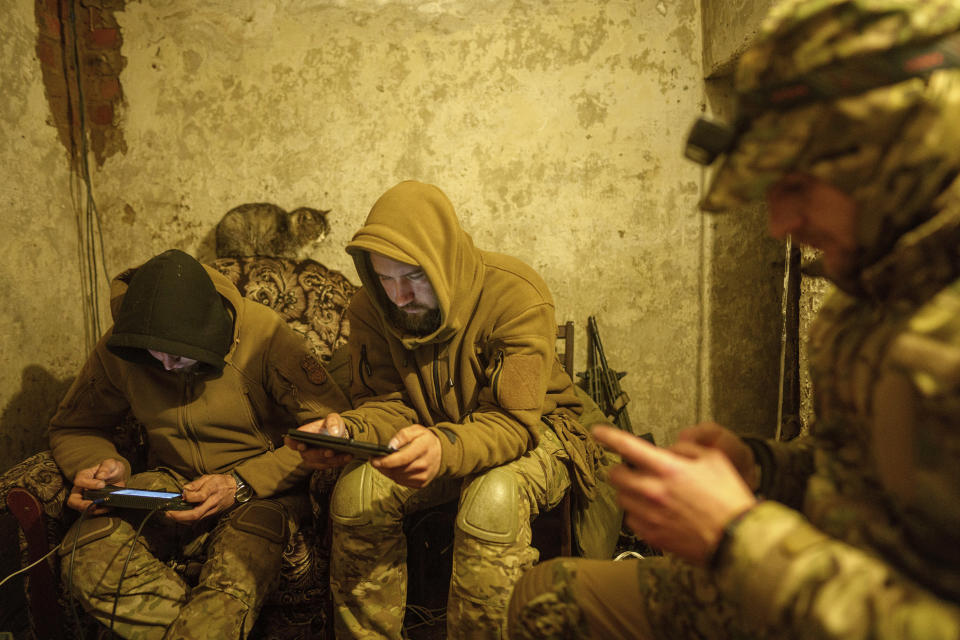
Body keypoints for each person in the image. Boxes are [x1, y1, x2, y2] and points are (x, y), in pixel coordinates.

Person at [507, 0, 960, 637]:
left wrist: (735, 539)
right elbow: (852, 474)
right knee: (550, 597)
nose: (780, 226)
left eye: (797, 185)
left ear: (898, 154)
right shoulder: (878, 289)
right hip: (807, 584)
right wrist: (761, 467)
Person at [286, 180, 603, 639]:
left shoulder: (515, 293)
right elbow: (390, 404)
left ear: (442, 261)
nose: (398, 296)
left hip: (538, 429)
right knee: (355, 498)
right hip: (434, 433)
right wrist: (348, 430)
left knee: (491, 502)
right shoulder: (373, 308)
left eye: (413, 278)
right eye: (384, 279)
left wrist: (443, 444)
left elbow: (515, 422)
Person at [50, 249, 349, 639]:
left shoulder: (265, 336)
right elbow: (74, 427)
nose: (168, 367)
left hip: (261, 494)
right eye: (155, 356)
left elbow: (331, 432)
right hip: (173, 484)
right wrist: (104, 463)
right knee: (84, 552)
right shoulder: (121, 343)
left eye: (179, 355)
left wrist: (241, 482)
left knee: (236, 574)